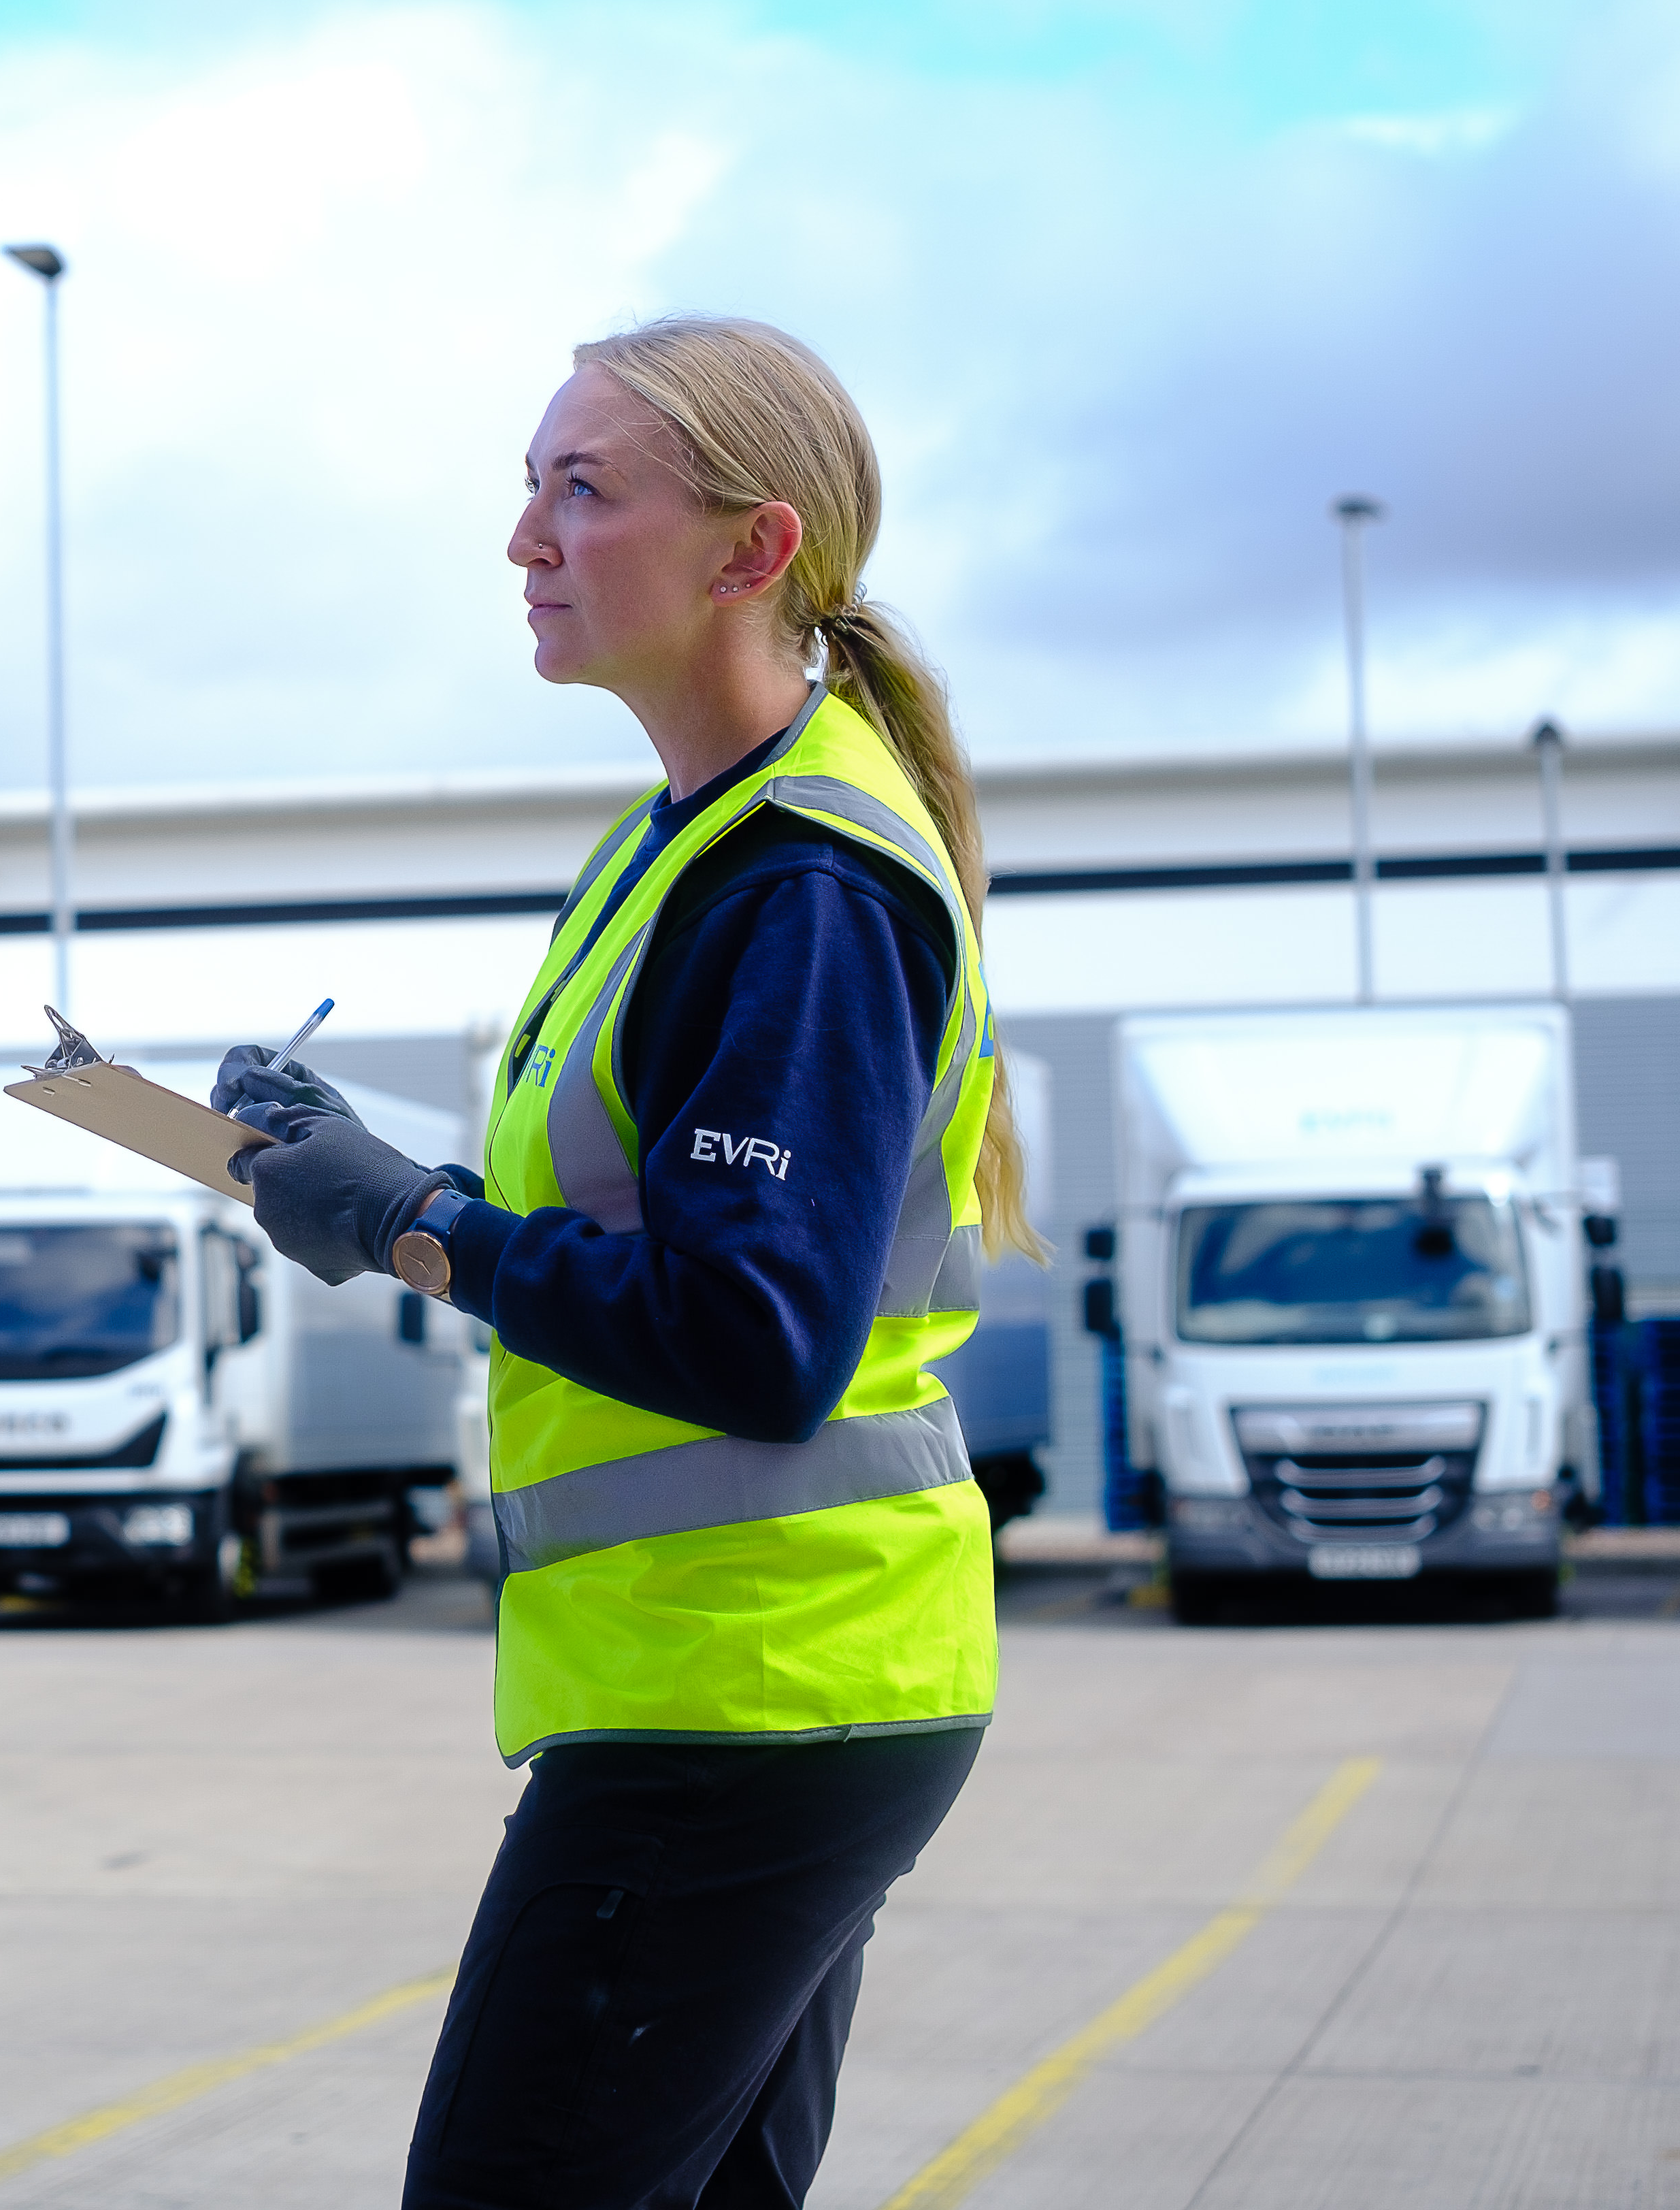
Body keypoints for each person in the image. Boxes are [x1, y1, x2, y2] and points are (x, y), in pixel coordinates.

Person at [213, 317, 1038, 2210]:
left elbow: (754, 1339)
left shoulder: (801, 883)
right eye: (530, 487)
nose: (526, 538)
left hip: (751, 1691)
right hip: (757, 1680)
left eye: (582, 491)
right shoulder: (687, 847)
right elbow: (621, 1231)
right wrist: (372, 1178)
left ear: (754, 550)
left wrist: (414, 1222)